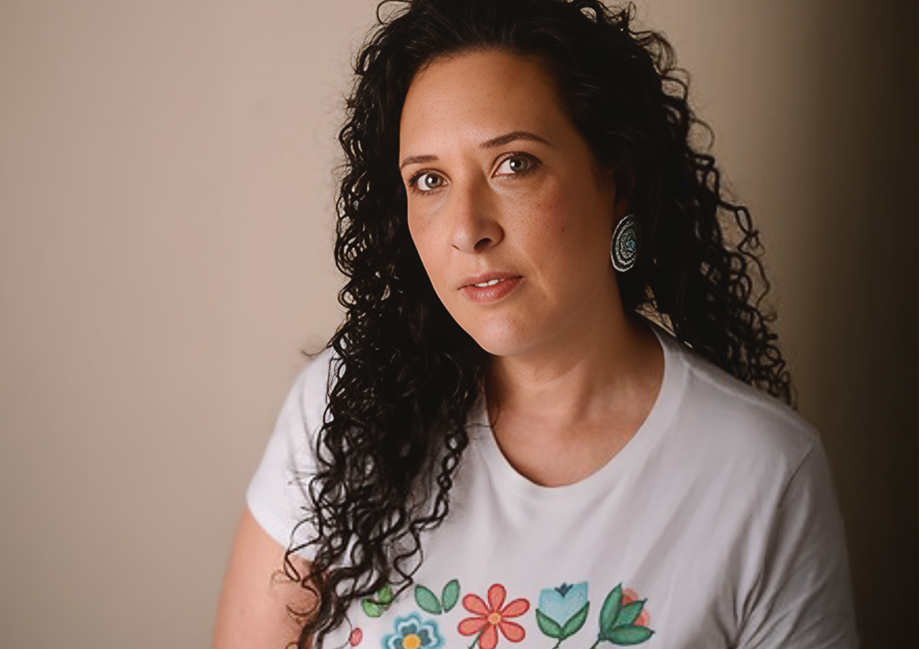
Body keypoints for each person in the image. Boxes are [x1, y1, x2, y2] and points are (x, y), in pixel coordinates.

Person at [212, 1, 858, 647]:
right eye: (429, 179)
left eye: (513, 163)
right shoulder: (343, 404)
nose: (467, 229)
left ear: (617, 183)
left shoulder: (763, 470)